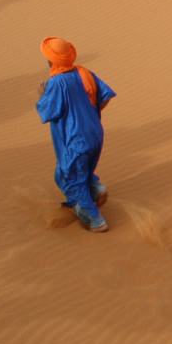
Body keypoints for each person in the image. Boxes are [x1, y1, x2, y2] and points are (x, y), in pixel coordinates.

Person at [36, 36, 116, 232]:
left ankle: (96, 220)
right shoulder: (84, 72)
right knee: (80, 171)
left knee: (68, 176)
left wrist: (42, 95)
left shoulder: (56, 82)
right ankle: (95, 188)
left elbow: (47, 112)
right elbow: (105, 96)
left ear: (50, 61)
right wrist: (91, 115)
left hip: (75, 140)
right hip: (94, 133)